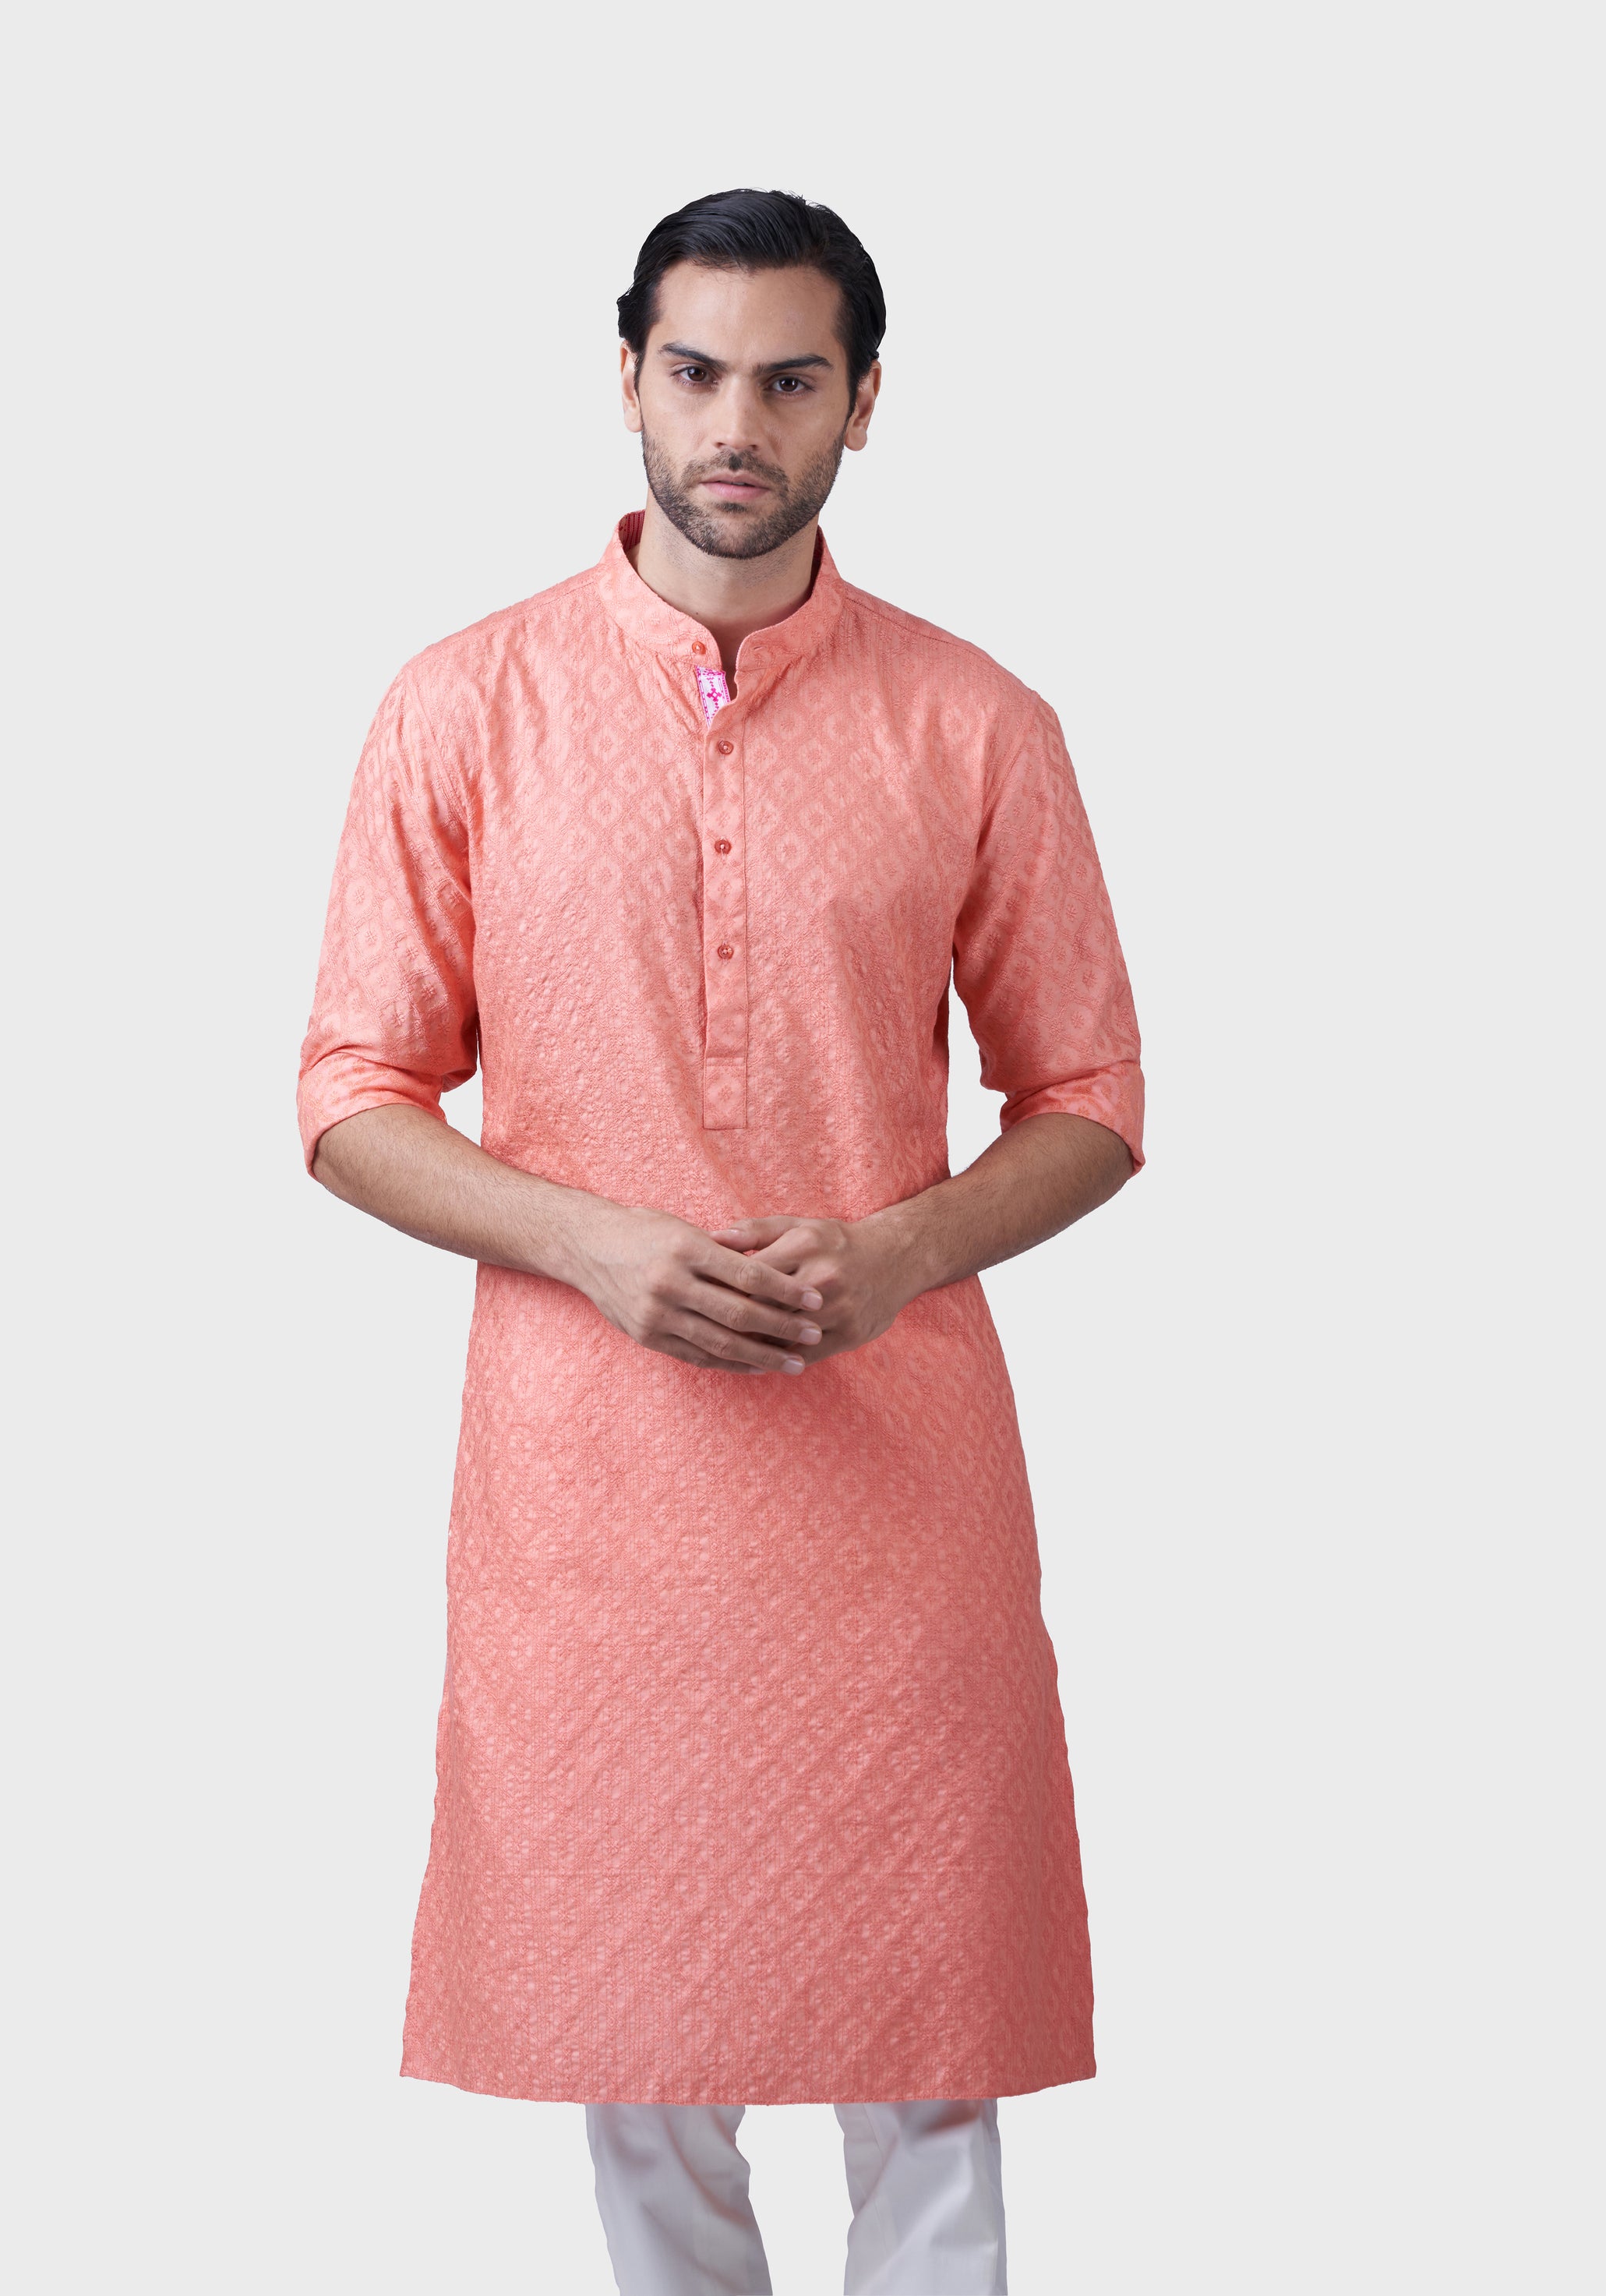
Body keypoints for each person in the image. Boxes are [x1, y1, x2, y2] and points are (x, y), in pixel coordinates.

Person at [298, 187, 1145, 2296]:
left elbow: (1092, 1096)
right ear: (626, 381)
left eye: (787, 379)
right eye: (694, 373)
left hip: (898, 1476)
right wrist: (593, 1246)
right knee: (637, 2040)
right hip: (594, 1478)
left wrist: (902, 1251)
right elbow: (348, 1092)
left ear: (865, 400)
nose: (734, 425)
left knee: (931, 2032)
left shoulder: (975, 722)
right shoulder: (465, 706)